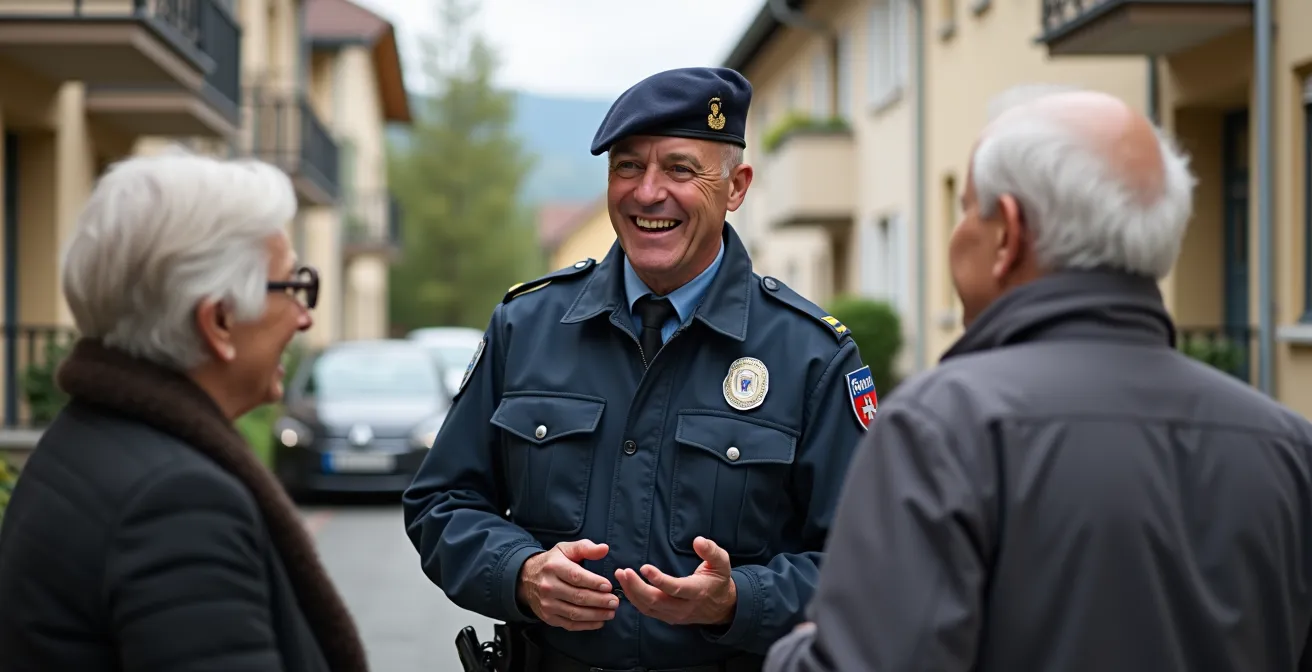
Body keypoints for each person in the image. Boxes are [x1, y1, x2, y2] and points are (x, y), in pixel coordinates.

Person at [763, 86, 1312, 671]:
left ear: (1009, 234)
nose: (957, 233)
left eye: (968, 208)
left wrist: (802, 643)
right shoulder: (1289, 447)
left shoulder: (942, 427)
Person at [403, 66, 870, 672]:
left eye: (680, 169)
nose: (647, 193)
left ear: (736, 187)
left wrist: (738, 601)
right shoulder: (528, 326)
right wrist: (519, 572)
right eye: (627, 166)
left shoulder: (812, 355)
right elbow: (441, 503)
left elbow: (864, 565)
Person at [0, 150, 369, 672]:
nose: (304, 317)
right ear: (218, 321)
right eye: (293, 286)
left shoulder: (84, 440)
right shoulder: (176, 504)